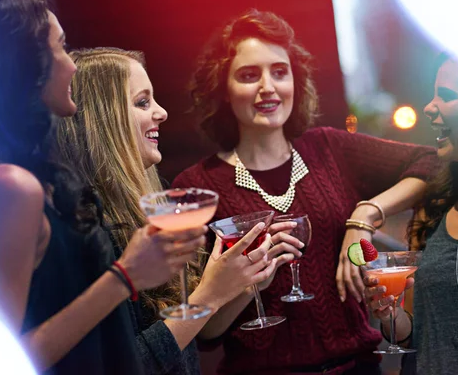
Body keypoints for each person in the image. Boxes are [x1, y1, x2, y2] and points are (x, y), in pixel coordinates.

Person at [0, 0, 205, 374]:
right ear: (27, 66)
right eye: (61, 48)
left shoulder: (36, 176)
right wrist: (125, 276)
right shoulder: (10, 184)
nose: (73, 65)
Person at [171, 9, 438, 374]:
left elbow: (430, 162)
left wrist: (363, 217)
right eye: (250, 75)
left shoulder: (329, 148)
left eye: (280, 72)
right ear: (222, 88)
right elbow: (206, 334)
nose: (268, 86)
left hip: (358, 367)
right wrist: (250, 283)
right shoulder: (196, 187)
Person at [56, 47, 299, 374]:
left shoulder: (141, 211)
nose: (162, 113)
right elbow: (125, 366)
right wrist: (210, 295)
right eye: (142, 102)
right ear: (103, 119)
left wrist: (241, 281)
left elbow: (185, 340)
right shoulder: (88, 231)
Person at [364, 53, 458, 374]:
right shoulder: (439, 205)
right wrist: (393, 317)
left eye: (446, 96)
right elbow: (419, 331)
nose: (429, 107)